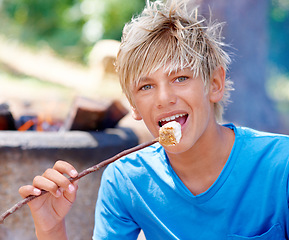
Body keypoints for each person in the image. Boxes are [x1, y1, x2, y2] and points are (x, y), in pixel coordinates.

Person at [19, 0, 289, 239]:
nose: (163, 98)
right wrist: (51, 229)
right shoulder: (126, 181)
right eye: (145, 87)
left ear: (215, 84)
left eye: (180, 78)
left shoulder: (281, 165)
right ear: (134, 105)